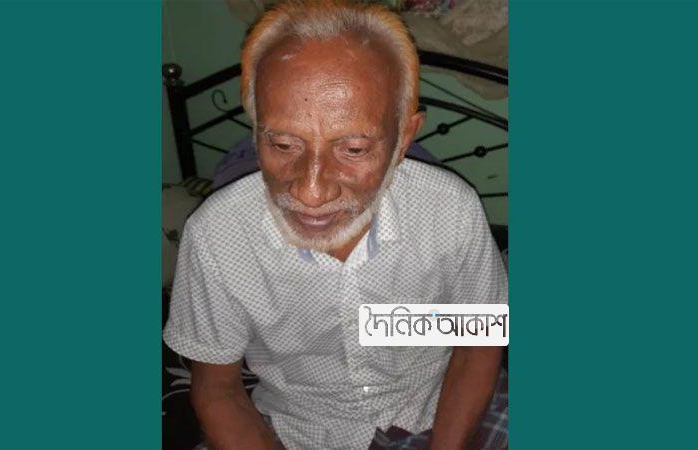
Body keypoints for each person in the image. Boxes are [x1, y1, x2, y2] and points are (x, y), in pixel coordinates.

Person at [163, 1, 508, 449]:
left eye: (354, 150)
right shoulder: (217, 235)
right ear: (256, 128)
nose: (311, 192)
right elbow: (217, 388)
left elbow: (478, 343)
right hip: (301, 432)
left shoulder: (450, 210)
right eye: (283, 144)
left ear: (404, 138)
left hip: (440, 409)